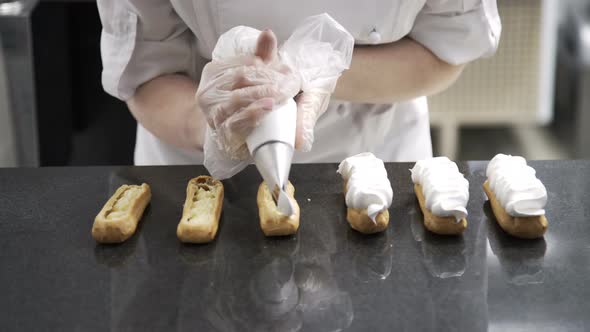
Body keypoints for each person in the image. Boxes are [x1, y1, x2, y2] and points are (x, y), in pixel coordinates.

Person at [98, 0, 501, 166]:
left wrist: (319, 70)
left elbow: (445, 48)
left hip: (376, 155)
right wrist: (211, 124)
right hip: (193, 166)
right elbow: (147, 72)